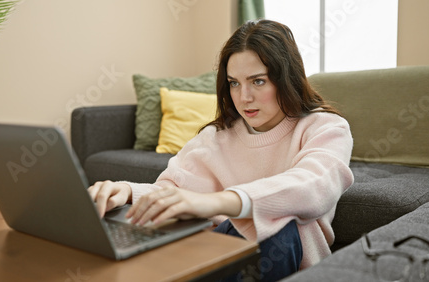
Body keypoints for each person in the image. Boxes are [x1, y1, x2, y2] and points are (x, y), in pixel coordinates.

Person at [88, 19, 354, 281]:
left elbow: (313, 186)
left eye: (258, 81)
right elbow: (173, 191)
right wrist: (126, 191)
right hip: (214, 253)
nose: (244, 97)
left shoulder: (326, 127)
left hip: (287, 262)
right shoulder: (216, 136)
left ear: (287, 79)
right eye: (234, 83)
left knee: (277, 224)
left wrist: (214, 201)